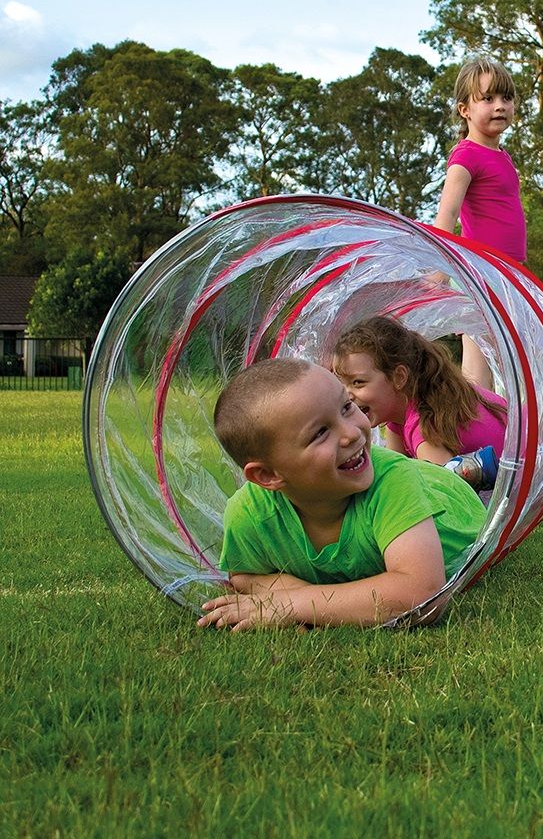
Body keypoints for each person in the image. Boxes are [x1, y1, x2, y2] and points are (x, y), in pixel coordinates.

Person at [197, 357, 486, 632]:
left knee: (426, 473)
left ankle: (462, 469)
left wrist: (293, 604)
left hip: (450, 497)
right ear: (268, 476)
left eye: (347, 407)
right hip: (407, 478)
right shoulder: (250, 514)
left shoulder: (393, 482)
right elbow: (245, 577)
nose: (352, 434)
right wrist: (318, 600)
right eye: (320, 433)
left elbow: (423, 593)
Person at [433, 57, 526, 388]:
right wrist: (438, 271)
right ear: (464, 110)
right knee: (477, 366)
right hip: (478, 274)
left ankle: (501, 429)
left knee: (506, 359)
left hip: (506, 274)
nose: (500, 106)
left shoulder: (501, 156)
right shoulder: (466, 156)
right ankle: (474, 433)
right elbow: (447, 213)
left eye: (506, 98)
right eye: (487, 99)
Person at [332, 315, 505, 490]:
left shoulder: (425, 426)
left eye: (358, 382)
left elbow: (444, 494)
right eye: (342, 384)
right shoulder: (406, 407)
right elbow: (391, 472)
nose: (347, 395)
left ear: (399, 377)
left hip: (523, 482)